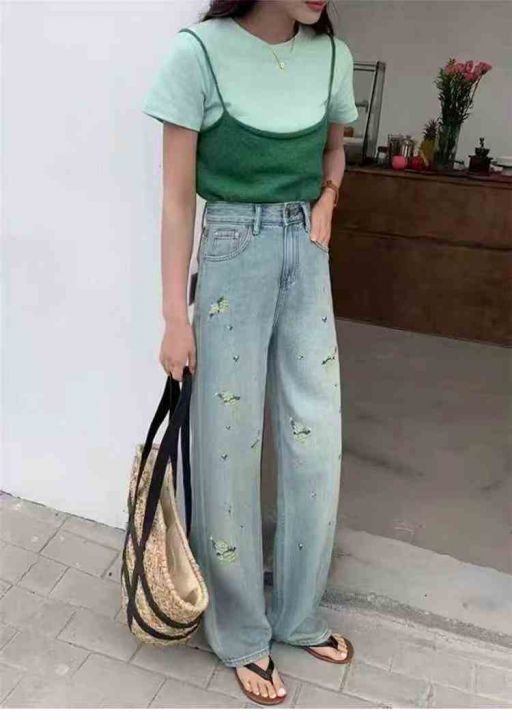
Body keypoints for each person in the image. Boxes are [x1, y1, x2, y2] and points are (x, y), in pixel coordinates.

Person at [142, 0, 358, 706]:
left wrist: (328, 198)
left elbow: (333, 148)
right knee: (230, 446)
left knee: (315, 442)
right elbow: (178, 200)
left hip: (308, 251)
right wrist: (174, 318)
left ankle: (299, 614)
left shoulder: (332, 56)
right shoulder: (197, 53)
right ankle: (239, 631)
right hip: (232, 248)